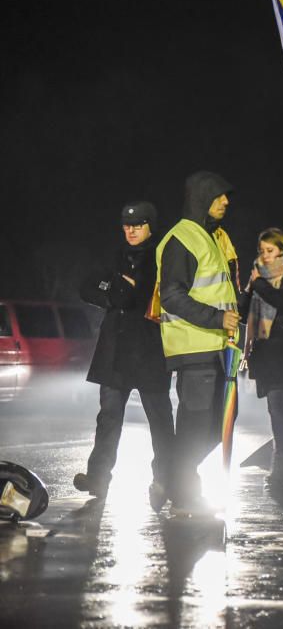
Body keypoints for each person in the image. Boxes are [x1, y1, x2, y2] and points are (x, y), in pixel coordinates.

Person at [75, 202, 174, 511]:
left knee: (160, 421)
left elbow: (138, 296)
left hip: (149, 351)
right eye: (127, 225)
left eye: (138, 224)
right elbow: (87, 287)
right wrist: (114, 290)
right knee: (108, 418)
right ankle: (97, 478)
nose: (130, 230)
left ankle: (166, 480)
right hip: (116, 352)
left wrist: (120, 290)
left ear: (150, 226)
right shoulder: (115, 255)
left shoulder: (161, 257)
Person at [156, 172, 240, 516]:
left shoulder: (209, 237)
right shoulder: (182, 238)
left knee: (217, 425)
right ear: (202, 196)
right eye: (219, 195)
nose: (226, 201)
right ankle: (182, 492)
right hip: (193, 348)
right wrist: (216, 318)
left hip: (214, 348)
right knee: (196, 425)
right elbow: (171, 296)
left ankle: (171, 480)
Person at [238, 227, 283, 490]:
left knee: (279, 406)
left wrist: (259, 284)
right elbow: (242, 312)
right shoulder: (260, 281)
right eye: (262, 251)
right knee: (276, 410)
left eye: (270, 251)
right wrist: (249, 287)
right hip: (267, 354)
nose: (265, 256)